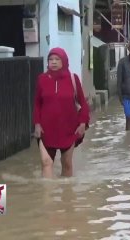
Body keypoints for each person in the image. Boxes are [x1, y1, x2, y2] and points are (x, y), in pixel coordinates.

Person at [33, 47, 90, 178]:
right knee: (46, 162)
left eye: (57, 59)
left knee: (67, 164)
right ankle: (46, 197)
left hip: (68, 129)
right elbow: (37, 104)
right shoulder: (42, 79)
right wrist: (37, 124)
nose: (53, 62)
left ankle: (67, 196)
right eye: (50, 59)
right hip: (46, 130)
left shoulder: (73, 79)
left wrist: (82, 123)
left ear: (64, 61)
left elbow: (83, 103)